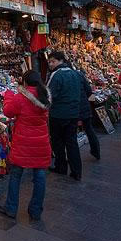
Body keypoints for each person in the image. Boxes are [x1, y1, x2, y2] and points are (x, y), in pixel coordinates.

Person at [0, 71, 51, 221]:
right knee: (40, 176)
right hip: (40, 142)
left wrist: (8, 96)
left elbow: (8, 112)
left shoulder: (21, 97)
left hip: (24, 142)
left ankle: (11, 208)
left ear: (25, 83)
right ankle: (35, 211)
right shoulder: (45, 96)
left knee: (16, 175)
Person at [46, 51, 83, 181]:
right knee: (72, 142)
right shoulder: (75, 73)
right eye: (49, 62)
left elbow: (49, 95)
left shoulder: (56, 75)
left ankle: (61, 166)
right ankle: (76, 170)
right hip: (73, 113)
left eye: (53, 61)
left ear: (60, 61)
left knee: (58, 142)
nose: (50, 64)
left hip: (58, 114)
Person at [76, 69, 100, 160]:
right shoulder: (80, 75)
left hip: (73, 109)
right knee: (89, 129)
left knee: (71, 133)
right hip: (84, 107)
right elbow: (89, 91)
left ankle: (73, 157)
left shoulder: (62, 76)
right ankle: (96, 151)